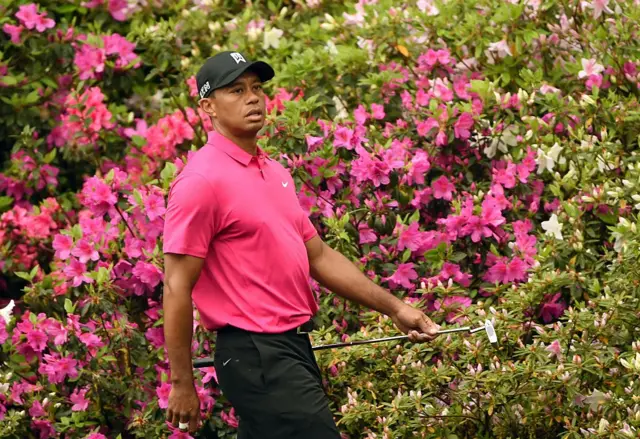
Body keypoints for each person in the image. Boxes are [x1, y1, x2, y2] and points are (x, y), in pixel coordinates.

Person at [161, 51, 440, 438]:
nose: (253, 98)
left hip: (292, 348)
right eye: (237, 90)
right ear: (208, 106)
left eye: (257, 88)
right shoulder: (201, 181)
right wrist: (181, 382)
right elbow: (176, 285)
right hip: (255, 355)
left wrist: (396, 309)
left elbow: (319, 256)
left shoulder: (274, 172)